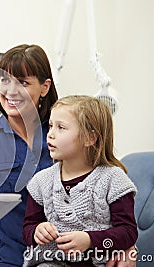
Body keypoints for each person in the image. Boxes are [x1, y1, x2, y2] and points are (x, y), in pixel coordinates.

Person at [0, 44, 59, 267]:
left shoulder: (63, 134)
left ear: (44, 87)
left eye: (23, 82)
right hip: (16, 260)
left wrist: (124, 245)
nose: (10, 91)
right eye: (5, 80)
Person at [22, 95, 138, 267]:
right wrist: (37, 232)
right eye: (51, 126)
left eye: (61, 127)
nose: (51, 134)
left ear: (90, 138)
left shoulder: (113, 180)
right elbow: (28, 227)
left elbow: (128, 232)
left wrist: (90, 240)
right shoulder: (41, 181)